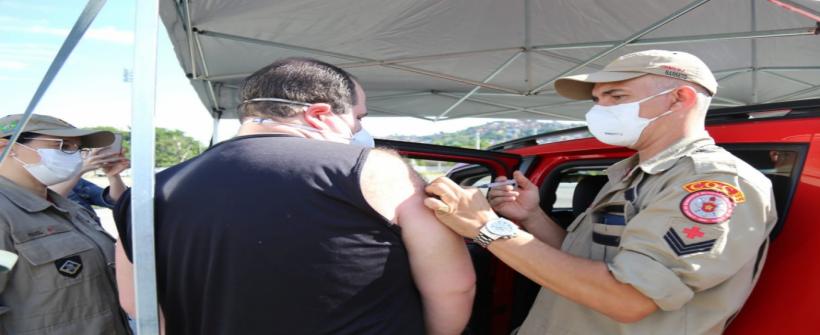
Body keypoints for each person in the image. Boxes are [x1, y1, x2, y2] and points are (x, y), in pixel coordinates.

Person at [423, 50, 777, 334]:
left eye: (615, 96)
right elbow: (592, 263)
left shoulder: (713, 183)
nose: (599, 109)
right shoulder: (635, 172)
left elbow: (629, 298)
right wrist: (532, 218)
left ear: (678, 98)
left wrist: (487, 228)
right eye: (597, 99)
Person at [114, 57, 475, 335]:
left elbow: (138, 305)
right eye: (358, 117)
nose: (361, 129)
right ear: (320, 114)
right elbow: (453, 287)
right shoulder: (377, 170)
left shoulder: (150, 192)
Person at [0, 114, 131, 334]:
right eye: (63, 146)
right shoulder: (5, 216)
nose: (74, 156)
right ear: (7, 148)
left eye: (77, 149)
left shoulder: (69, 209)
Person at [51, 148, 130, 212]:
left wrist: (113, 175)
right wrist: (80, 170)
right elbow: (46, 201)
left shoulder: (76, 182)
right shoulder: (73, 178)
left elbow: (118, 200)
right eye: (65, 146)